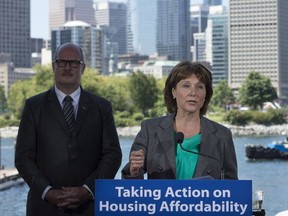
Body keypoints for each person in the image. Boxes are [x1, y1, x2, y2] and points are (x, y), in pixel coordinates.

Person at [15, 43, 122, 216]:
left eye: (73, 63)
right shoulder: (33, 106)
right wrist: (48, 192)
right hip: (44, 208)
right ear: (53, 66)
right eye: (62, 62)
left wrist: (87, 190)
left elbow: (113, 154)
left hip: (90, 207)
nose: (67, 67)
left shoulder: (101, 107)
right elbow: (23, 158)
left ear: (83, 68)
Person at [122, 60, 238, 180]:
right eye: (186, 86)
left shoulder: (222, 135)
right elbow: (131, 188)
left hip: (206, 200)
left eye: (199, 87)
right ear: (173, 92)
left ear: (205, 95)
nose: (193, 93)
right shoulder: (150, 130)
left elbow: (233, 187)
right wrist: (134, 171)